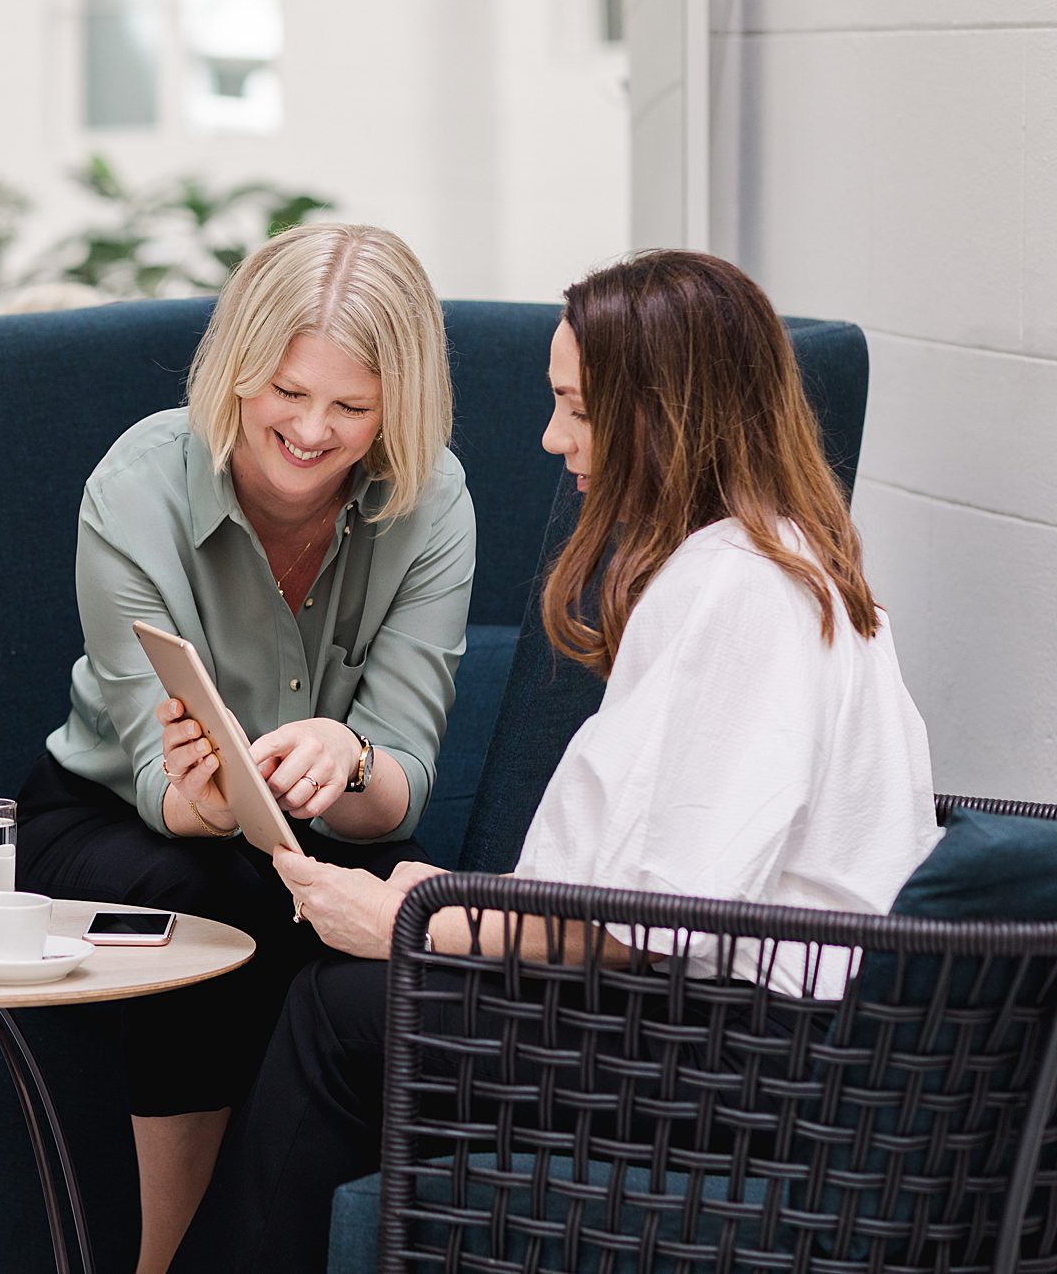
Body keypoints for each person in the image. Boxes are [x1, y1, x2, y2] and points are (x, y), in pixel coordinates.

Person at [173, 250, 940, 1274]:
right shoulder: (769, 560)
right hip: (763, 1029)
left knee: (342, 1009)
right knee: (355, 990)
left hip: (764, 1056)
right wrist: (444, 901)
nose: (551, 436)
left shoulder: (742, 589)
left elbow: (656, 917)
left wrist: (418, 921)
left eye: (577, 408)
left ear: (666, 415)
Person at [15, 222, 476, 1274]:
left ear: (397, 406)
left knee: (350, 921)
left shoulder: (431, 498)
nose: (311, 431)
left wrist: (348, 755)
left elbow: (399, 785)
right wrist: (211, 799)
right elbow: (156, 781)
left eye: (352, 407)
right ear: (236, 370)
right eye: (287, 391)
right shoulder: (139, 484)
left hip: (320, 833)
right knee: (214, 892)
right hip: (110, 818)